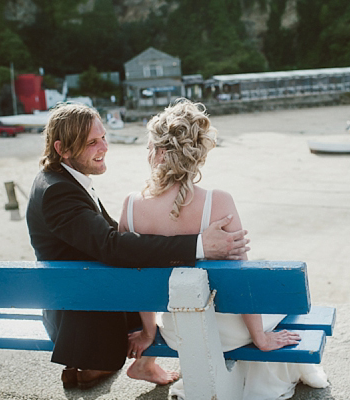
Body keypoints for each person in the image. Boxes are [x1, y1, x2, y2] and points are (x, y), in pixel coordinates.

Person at [25, 102, 249, 390]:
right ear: (63, 149)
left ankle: (141, 362)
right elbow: (111, 246)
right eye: (92, 143)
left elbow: (104, 238)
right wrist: (198, 245)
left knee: (145, 281)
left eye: (103, 137)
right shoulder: (58, 192)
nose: (104, 147)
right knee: (145, 282)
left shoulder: (60, 180)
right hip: (81, 314)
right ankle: (96, 364)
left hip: (76, 290)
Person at [118, 99, 329, 399]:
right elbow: (241, 281)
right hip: (226, 333)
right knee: (277, 297)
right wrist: (260, 338)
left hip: (178, 333)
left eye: (150, 146)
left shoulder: (130, 207)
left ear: (162, 153)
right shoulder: (218, 202)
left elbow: (137, 278)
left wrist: (149, 333)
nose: (147, 152)